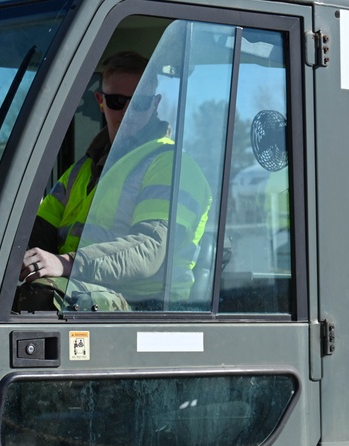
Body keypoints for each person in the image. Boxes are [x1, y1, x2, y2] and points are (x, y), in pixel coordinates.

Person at [19, 51, 211, 310]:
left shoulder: (171, 166)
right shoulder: (81, 170)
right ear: (101, 101)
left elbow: (149, 250)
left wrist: (67, 263)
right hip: (89, 285)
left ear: (155, 103)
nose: (129, 111)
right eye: (118, 101)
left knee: (39, 296)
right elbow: (37, 232)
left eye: (140, 102)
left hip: (148, 305)